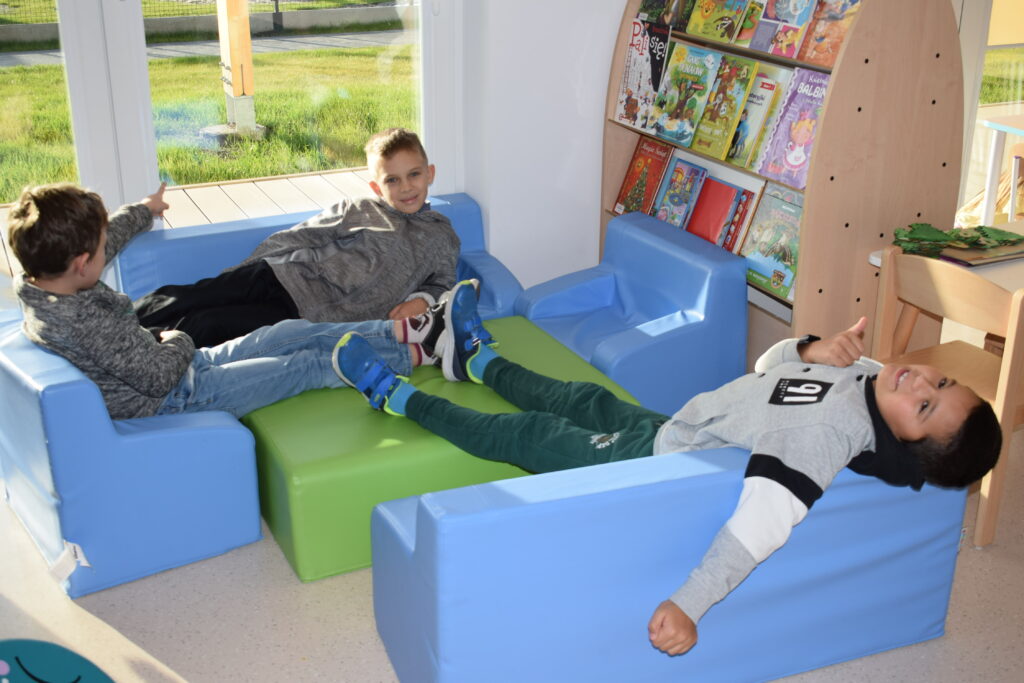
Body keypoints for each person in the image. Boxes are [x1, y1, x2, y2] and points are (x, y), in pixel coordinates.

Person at [332, 280, 1002, 657]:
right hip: (676, 425)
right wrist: (810, 350)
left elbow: (759, 528)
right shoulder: (868, 378)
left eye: (925, 406)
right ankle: (475, 357)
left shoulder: (826, 438)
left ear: (907, 443)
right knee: (577, 394)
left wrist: (690, 604)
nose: (921, 381)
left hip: (656, 463)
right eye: (941, 382)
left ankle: (395, 396)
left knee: (529, 435)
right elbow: (768, 371)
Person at [6, 183, 447, 420]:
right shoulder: (82, 321)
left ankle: (404, 330)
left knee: (290, 333)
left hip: (184, 369)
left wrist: (143, 210)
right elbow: (157, 378)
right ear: (82, 263)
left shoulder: (49, 282)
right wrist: (177, 339)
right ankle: (420, 353)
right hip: (177, 396)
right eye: (102, 248)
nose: (108, 249)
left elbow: (108, 237)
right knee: (303, 365)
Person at [132, 127, 460, 347]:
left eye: (414, 175)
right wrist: (247, 268)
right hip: (281, 275)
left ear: (429, 173)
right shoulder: (361, 209)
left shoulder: (441, 236)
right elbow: (301, 236)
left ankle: (141, 348)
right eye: (392, 180)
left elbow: (443, 282)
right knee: (193, 295)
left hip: (306, 317)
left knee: (210, 324)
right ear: (376, 187)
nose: (406, 187)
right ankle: (120, 320)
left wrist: (423, 300)